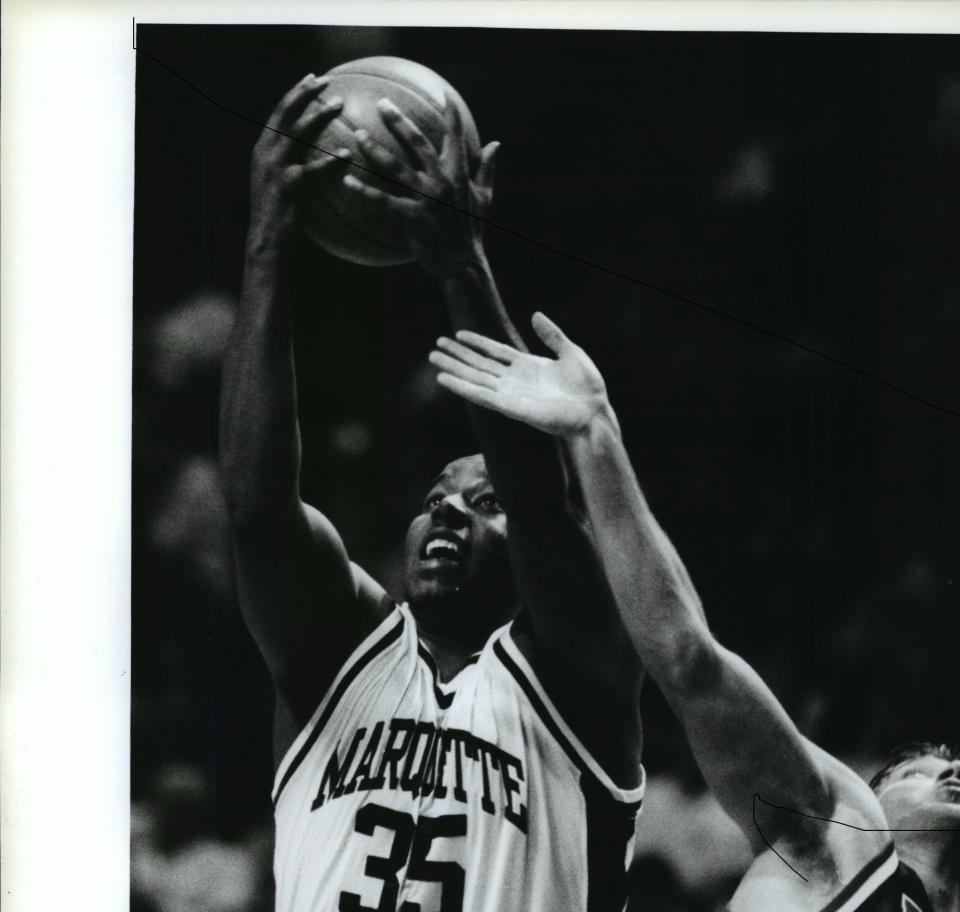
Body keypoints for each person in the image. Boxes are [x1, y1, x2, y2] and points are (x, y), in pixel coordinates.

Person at [219, 74, 647, 912]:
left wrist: (461, 264)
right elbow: (256, 508)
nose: (448, 508)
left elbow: (542, 506)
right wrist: (267, 243)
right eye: (435, 496)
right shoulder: (341, 655)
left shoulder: (581, 680)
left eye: (481, 502)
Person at [429, 314, 960, 912]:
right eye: (915, 770)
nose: (951, 771)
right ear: (874, 798)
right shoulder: (841, 836)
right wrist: (594, 434)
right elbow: (688, 659)